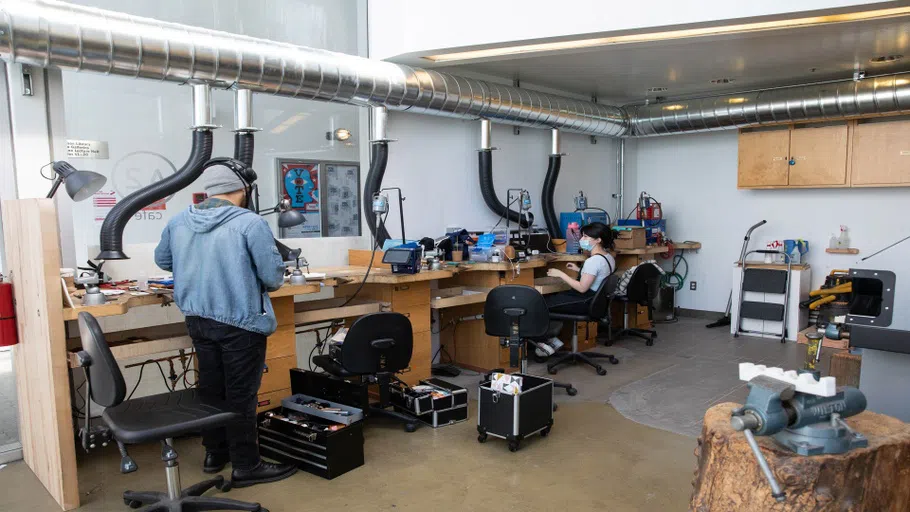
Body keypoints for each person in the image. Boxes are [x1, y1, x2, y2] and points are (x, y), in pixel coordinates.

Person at [154, 165, 297, 487]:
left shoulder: (179, 221)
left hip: (197, 318)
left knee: (211, 390)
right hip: (239, 321)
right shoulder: (249, 223)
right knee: (241, 396)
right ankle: (247, 466)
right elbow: (273, 278)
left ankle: (214, 453)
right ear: (243, 190)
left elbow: (163, 261)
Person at [537, 222, 616, 356]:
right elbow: (597, 277)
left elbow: (582, 288)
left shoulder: (593, 261)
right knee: (553, 299)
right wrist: (579, 270)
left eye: (585, 237)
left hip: (584, 301)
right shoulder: (608, 257)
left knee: (540, 304)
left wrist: (560, 274)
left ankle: (547, 340)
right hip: (595, 302)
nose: (581, 240)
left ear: (598, 240)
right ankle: (553, 339)